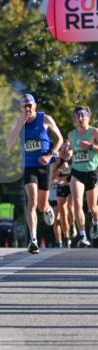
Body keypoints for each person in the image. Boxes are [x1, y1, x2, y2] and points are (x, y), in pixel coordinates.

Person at [6, 93, 63, 254]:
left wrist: (50, 154)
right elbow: (9, 144)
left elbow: (59, 139)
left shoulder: (45, 119)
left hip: (44, 165)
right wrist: (20, 125)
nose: (28, 108)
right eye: (24, 106)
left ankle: (46, 209)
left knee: (41, 205)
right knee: (32, 199)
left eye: (30, 105)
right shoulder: (18, 121)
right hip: (29, 166)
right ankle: (33, 239)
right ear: (21, 107)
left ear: (35, 105)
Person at [67, 105, 98, 248]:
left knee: (92, 207)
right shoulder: (71, 134)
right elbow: (71, 151)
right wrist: (67, 153)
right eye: (77, 115)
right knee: (77, 202)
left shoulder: (94, 132)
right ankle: (82, 235)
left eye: (82, 115)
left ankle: (96, 222)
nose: (79, 118)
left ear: (88, 117)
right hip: (76, 171)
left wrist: (90, 146)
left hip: (91, 171)